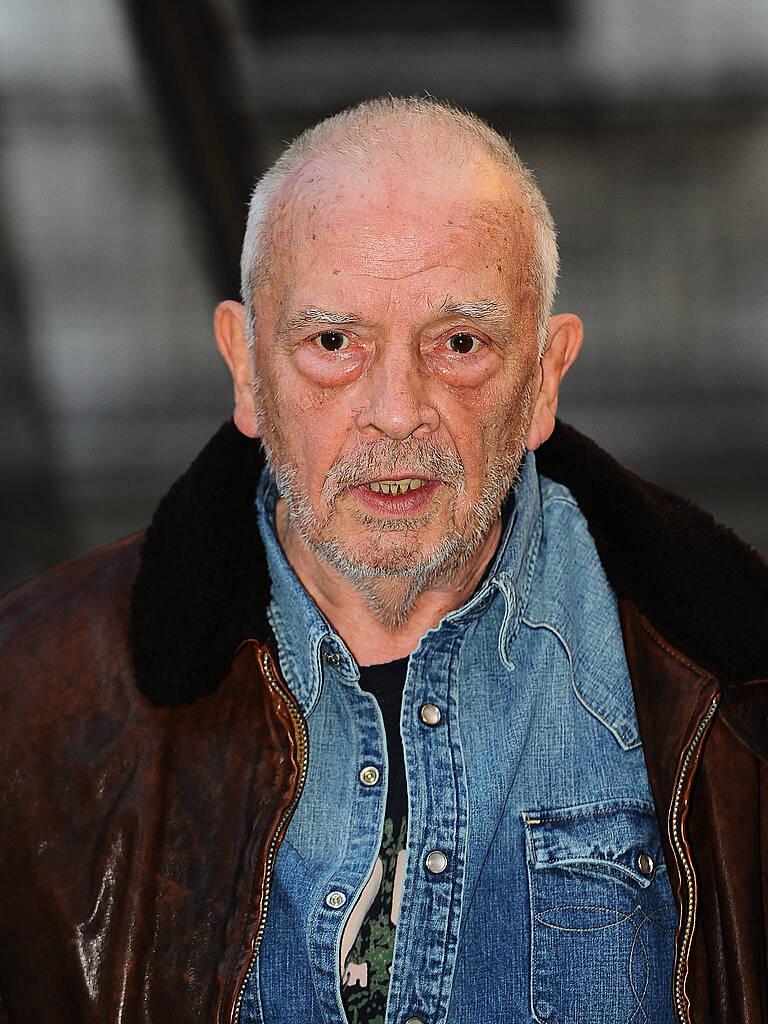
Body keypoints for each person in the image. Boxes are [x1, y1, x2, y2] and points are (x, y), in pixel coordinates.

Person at [0, 96, 765, 1024]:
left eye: (459, 344)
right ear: (245, 368)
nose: (397, 410)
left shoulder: (737, 705)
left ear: (544, 378)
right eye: (333, 344)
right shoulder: (29, 703)